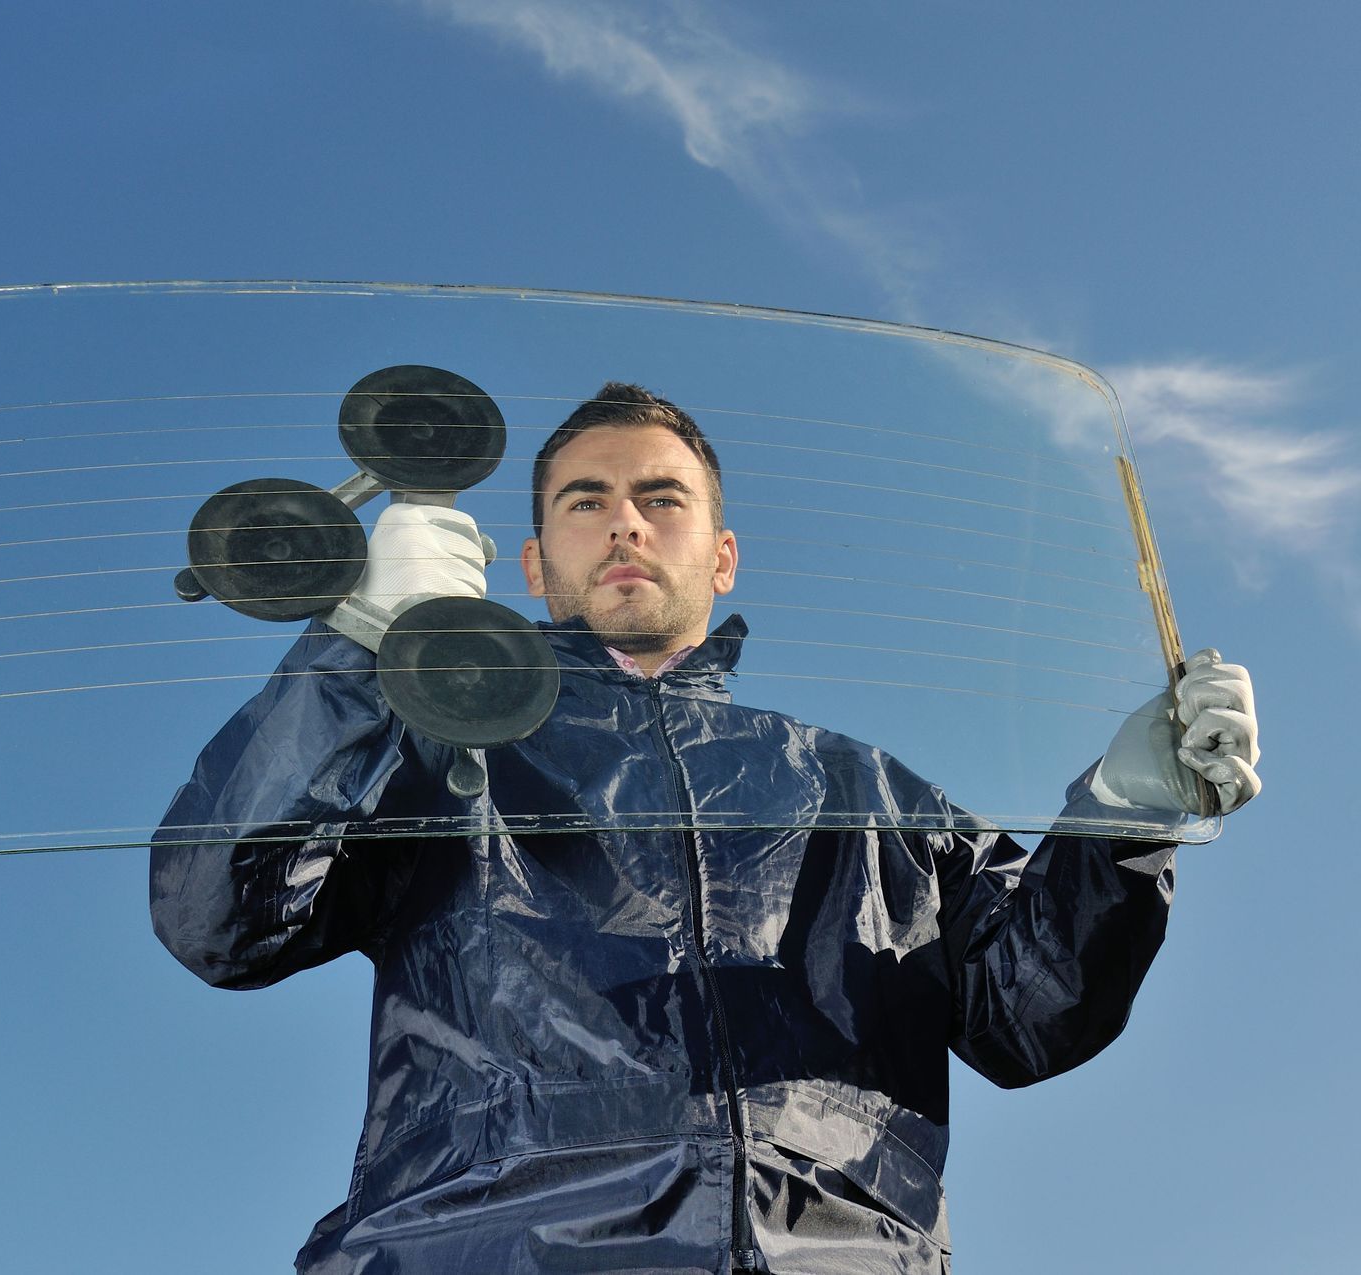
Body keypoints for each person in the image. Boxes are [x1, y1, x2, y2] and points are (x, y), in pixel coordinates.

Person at [150, 383, 1261, 1274]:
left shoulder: (862, 790)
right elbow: (219, 920)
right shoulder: (447, 766)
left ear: (720, 555)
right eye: (584, 501)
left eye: (661, 497)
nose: (624, 520)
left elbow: (1029, 1018)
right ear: (533, 567)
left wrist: (1121, 813)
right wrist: (356, 654)